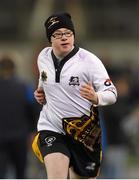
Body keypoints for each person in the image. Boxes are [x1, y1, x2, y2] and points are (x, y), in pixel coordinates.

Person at [32, 12, 117, 179]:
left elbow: (112, 93)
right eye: (58, 34)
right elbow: (43, 80)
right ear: (50, 38)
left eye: (68, 33)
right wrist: (40, 93)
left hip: (84, 135)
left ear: (73, 35)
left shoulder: (89, 61)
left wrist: (96, 97)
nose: (64, 38)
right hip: (52, 128)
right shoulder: (43, 56)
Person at [0, 56, 36, 178]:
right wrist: (32, 131)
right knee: (20, 172)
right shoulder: (25, 87)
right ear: (14, 68)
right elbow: (32, 109)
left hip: (1, 136)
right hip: (20, 136)